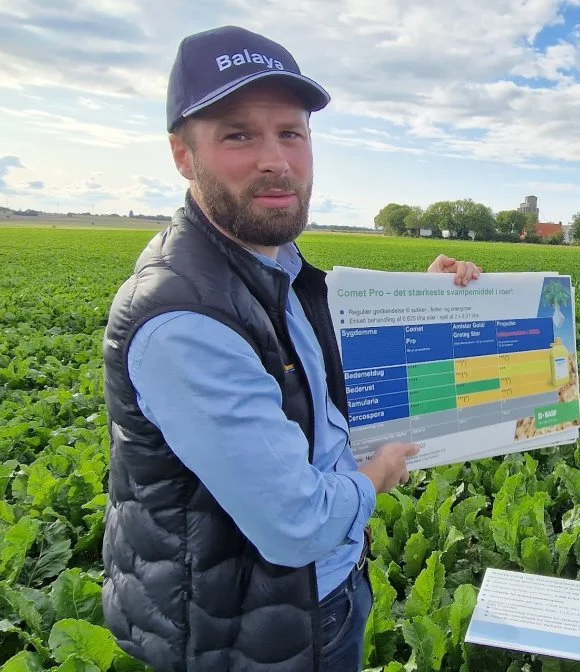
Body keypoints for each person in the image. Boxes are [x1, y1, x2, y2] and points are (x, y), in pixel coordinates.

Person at [100, 25, 481, 672]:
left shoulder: (271, 265)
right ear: (182, 154)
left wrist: (427, 301)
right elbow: (296, 525)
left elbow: (316, 363)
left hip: (313, 596)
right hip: (245, 635)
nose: (275, 159)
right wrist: (379, 473)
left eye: (291, 133)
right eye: (238, 134)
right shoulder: (183, 318)